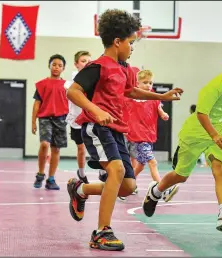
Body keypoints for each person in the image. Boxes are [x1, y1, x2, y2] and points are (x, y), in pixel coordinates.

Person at [65, 9, 184, 251]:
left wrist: (161, 95)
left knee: (128, 186)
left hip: (117, 130)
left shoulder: (126, 68)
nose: (132, 47)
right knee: (116, 170)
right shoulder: (98, 66)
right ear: (117, 41)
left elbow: (132, 91)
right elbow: (73, 91)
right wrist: (96, 110)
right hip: (97, 126)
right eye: (131, 42)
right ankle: (101, 232)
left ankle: (81, 189)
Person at [142, 41, 222, 232]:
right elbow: (202, 113)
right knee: (181, 176)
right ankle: (155, 191)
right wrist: (213, 134)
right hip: (197, 133)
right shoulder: (213, 87)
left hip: (219, 133)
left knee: (220, 170)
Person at [127, 70, 178, 198]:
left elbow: (160, 110)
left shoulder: (154, 99)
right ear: (137, 84)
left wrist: (164, 115)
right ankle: (163, 190)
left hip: (149, 137)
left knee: (140, 166)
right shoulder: (132, 100)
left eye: (150, 82)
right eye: (145, 83)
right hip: (139, 138)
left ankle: (126, 185)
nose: (148, 85)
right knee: (152, 162)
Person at [32, 54, 68, 190]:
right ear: (49, 66)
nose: (56, 67)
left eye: (60, 65)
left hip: (61, 119)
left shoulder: (66, 86)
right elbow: (36, 104)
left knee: (56, 149)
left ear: (63, 68)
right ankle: (40, 174)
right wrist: (33, 122)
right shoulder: (42, 84)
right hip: (45, 118)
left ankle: (51, 179)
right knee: (44, 144)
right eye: (54, 64)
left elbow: (72, 102)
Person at [65, 50, 92, 184]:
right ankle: (81, 172)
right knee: (81, 148)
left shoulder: (94, 79)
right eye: (83, 61)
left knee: (97, 144)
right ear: (76, 64)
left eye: (88, 61)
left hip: (91, 118)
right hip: (76, 120)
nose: (86, 63)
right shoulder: (70, 83)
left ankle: (103, 171)